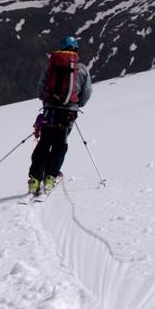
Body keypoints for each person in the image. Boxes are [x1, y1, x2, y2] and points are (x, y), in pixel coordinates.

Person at [28, 35, 92, 194]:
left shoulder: (51, 66)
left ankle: (35, 179)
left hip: (50, 111)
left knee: (44, 143)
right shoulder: (81, 69)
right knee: (59, 145)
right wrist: (76, 105)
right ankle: (50, 176)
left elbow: (40, 88)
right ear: (75, 49)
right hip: (68, 114)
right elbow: (86, 92)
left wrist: (48, 101)